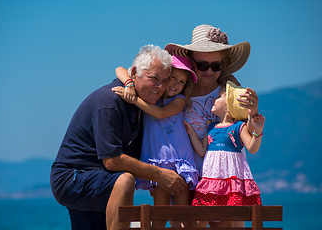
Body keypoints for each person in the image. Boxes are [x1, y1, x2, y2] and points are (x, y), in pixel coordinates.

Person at [50, 44, 189, 230]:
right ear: (134, 73)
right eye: (154, 78)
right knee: (125, 180)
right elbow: (112, 161)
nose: (161, 86)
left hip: (100, 179)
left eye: (164, 80)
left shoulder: (142, 105)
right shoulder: (110, 101)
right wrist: (160, 175)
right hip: (74, 177)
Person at [165, 24, 259, 228]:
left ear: (223, 66)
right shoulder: (178, 91)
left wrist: (253, 111)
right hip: (187, 174)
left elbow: (247, 132)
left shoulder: (231, 92)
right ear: (191, 62)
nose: (209, 71)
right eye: (202, 65)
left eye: (216, 66)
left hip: (224, 178)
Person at [112, 55, 199, 227]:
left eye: (182, 82)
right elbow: (119, 69)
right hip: (159, 163)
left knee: (183, 216)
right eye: (173, 78)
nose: (176, 84)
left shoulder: (179, 100)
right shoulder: (151, 96)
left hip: (182, 160)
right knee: (159, 215)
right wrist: (130, 85)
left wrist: (134, 99)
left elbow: (159, 114)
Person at [185, 81, 264, 227]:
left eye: (220, 97)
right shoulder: (211, 127)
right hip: (210, 182)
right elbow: (202, 150)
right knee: (200, 219)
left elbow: (252, 148)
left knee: (227, 222)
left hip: (230, 184)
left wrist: (257, 132)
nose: (214, 99)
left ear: (229, 106)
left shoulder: (239, 127)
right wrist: (191, 132)